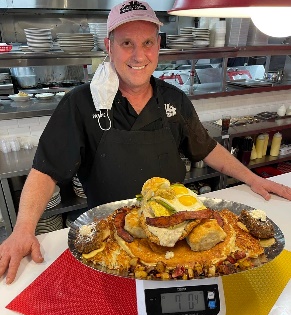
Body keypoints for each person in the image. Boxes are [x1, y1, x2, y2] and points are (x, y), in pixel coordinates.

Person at [0, 0, 291, 284]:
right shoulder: (81, 103)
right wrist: (24, 229)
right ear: (109, 46)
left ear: (158, 45)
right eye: (127, 43)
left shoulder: (173, 98)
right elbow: (47, 169)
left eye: (148, 43)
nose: (139, 56)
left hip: (177, 236)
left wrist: (253, 179)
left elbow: (206, 147)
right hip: (114, 238)